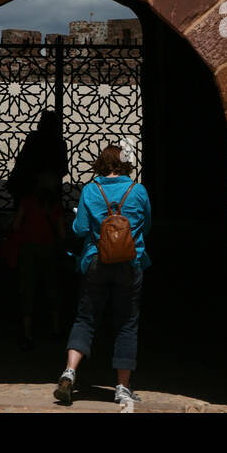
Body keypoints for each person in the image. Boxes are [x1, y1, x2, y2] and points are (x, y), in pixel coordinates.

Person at [53, 140, 151, 409]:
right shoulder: (138, 190)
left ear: (101, 162)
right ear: (125, 164)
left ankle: (70, 372)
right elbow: (147, 225)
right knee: (126, 323)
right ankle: (122, 388)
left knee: (85, 318)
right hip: (130, 264)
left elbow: (81, 229)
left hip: (95, 261)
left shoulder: (90, 190)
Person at [5, 170, 65, 349]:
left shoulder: (27, 201)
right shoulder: (56, 205)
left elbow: (16, 225)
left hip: (28, 249)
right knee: (52, 288)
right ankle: (56, 329)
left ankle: (27, 334)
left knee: (27, 289)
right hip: (48, 250)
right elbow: (61, 233)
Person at [8, 109, 68, 207]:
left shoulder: (33, 138)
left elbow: (22, 160)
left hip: (27, 186)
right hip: (48, 191)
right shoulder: (60, 144)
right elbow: (63, 169)